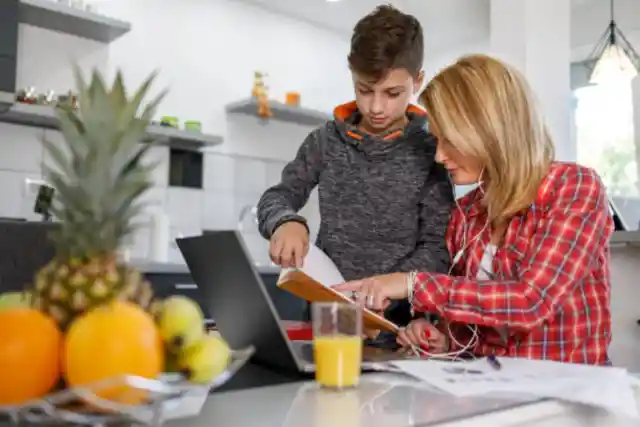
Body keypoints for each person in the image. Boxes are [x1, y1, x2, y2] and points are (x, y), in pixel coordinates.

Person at [335, 54, 614, 365]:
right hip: (495, 393)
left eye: (450, 141)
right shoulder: (466, 214)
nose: (440, 156)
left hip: (570, 394)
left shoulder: (574, 186)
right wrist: (441, 337)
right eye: (437, 140)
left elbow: (530, 303)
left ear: (490, 131)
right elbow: (477, 329)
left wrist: (411, 283)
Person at [256, 5, 453, 328]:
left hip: (400, 330)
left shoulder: (433, 152)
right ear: (352, 76)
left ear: (417, 81)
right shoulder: (325, 141)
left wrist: (391, 286)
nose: (376, 107)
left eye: (392, 93)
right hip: (326, 322)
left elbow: (437, 248)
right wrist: (285, 222)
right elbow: (276, 198)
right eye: (364, 90)